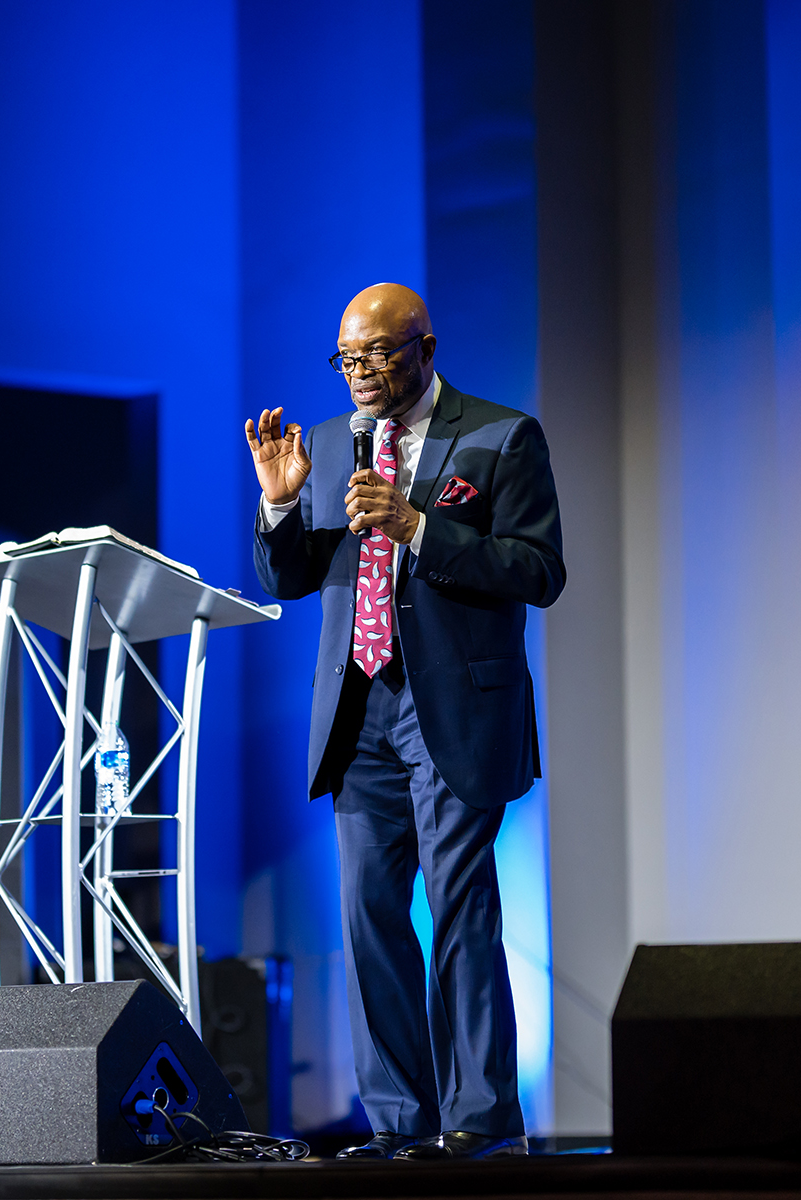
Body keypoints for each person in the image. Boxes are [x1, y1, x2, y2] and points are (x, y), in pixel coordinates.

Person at [246, 283, 564, 1160]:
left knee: (460, 906)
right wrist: (279, 505)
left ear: (425, 348)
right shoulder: (324, 444)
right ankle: (397, 1124)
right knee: (367, 915)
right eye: (348, 359)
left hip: (453, 707)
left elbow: (539, 570)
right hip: (360, 708)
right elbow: (290, 578)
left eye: (380, 354)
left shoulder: (501, 436)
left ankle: (483, 1120)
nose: (361, 373)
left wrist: (419, 525)